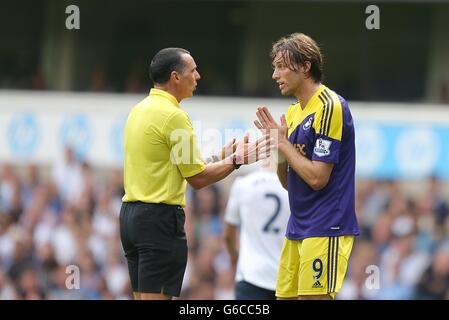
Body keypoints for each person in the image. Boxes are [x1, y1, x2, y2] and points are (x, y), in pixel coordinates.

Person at [119, 47, 271, 300]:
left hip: (131, 219)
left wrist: (220, 157)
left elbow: (182, 167)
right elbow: (197, 179)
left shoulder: (139, 109)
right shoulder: (174, 116)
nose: (198, 76)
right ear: (175, 77)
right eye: (193, 70)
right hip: (159, 220)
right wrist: (237, 160)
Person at [254, 33, 359, 300]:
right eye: (274, 68)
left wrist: (284, 144)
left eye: (281, 67)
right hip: (297, 226)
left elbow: (317, 179)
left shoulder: (329, 106)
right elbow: (289, 183)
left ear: (305, 66)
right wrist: (279, 151)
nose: (275, 75)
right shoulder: (292, 113)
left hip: (327, 226)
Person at [224, 157, 290, 300]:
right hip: (285, 277)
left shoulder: (242, 184)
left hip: (250, 275)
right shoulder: (292, 189)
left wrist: (234, 257)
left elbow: (229, 234)